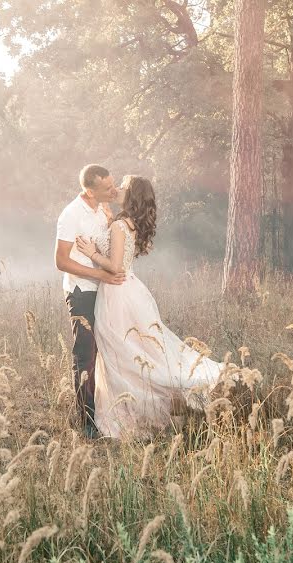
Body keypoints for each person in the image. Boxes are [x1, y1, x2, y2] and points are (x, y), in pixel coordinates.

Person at [75, 175, 224, 439]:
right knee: (132, 350)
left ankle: (130, 412)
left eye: (123, 186)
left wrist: (91, 253)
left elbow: (116, 266)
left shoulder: (121, 226)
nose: (117, 188)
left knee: (122, 352)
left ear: (131, 195)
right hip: (128, 289)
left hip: (117, 293)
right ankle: (133, 405)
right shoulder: (126, 223)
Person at [55, 164, 126, 438]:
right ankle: (86, 421)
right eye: (107, 187)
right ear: (89, 189)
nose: (113, 189)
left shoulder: (102, 210)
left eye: (113, 184)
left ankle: (108, 412)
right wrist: (99, 274)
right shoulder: (71, 214)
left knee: (107, 350)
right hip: (82, 290)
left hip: (105, 290)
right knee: (85, 354)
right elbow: (61, 261)